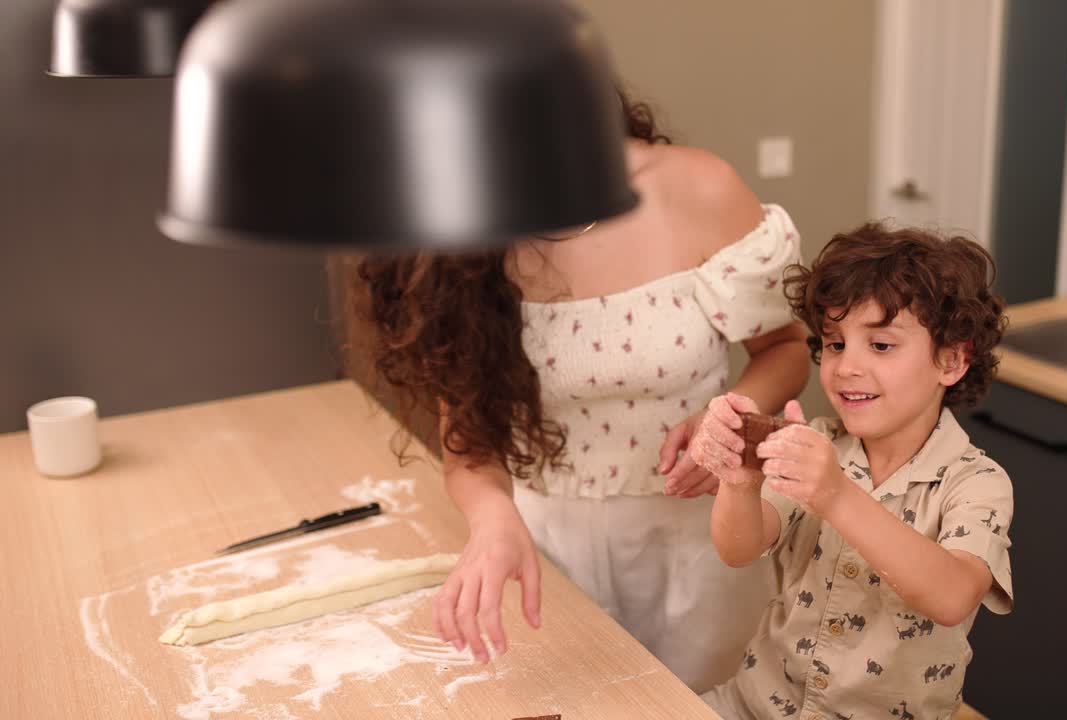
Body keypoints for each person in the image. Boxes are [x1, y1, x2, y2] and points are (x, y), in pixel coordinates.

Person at [347, 92, 811, 692]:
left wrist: (727, 417)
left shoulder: (699, 189)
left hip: (700, 541)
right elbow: (468, 439)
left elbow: (785, 350)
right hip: (545, 547)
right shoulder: (458, 229)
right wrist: (490, 517)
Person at [690, 222, 1013, 719]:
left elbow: (952, 596)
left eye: (880, 346)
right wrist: (740, 481)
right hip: (752, 706)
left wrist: (837, 496)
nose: (845, 367)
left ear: (950, 361)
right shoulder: (817, 444)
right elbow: (738, 549)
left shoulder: (976, 483)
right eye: (836, 343)